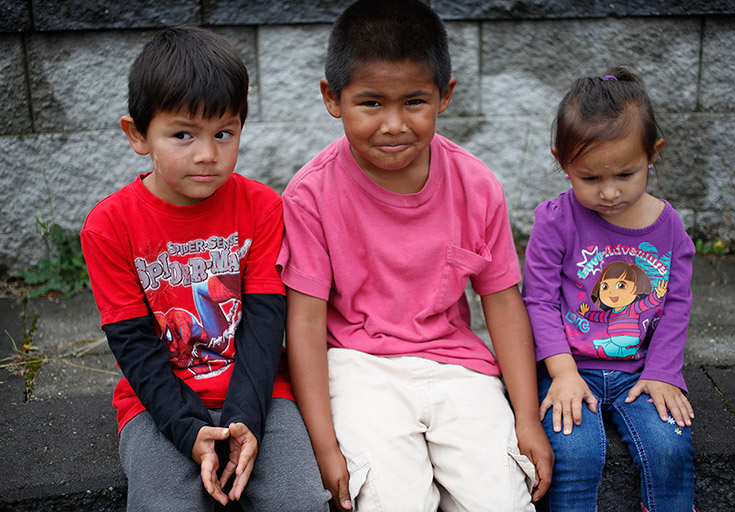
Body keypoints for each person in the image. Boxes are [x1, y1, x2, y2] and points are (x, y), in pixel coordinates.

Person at [277, 1, 553, 511]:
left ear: (444, 97)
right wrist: (325, 446)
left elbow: (503, 302)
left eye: (413, 102)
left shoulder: (476, 185)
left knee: (503, 502)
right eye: (371, 103)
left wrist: (526, 417)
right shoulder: (311, 195)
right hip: (358, 369)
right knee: (393, 502)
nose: (393, 124)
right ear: (331, 98)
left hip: (458, 368)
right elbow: (307, 326)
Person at [80, 26, 330, 512]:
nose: (207, 155)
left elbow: (263, 325)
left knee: (299, 499)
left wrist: (243, 423)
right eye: (182, 135)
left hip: (262, 396)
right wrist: (188, 429)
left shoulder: (262, 207)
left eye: (223, 133)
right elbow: (133, 343)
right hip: (156, 406)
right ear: (137, 134)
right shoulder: (109, 226)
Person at [522, 67, 696, 511]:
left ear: (652, 153)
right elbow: (538, 300)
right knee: (573, 452)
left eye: (624, 174)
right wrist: (561, 373)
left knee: (670, 446)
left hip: (639, 370)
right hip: (568, 366)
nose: (609, 192)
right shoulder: (555, 221)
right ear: (562, 160)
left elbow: (676, 304)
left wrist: (662, 372)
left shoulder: (669, 227)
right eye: (590, 178)